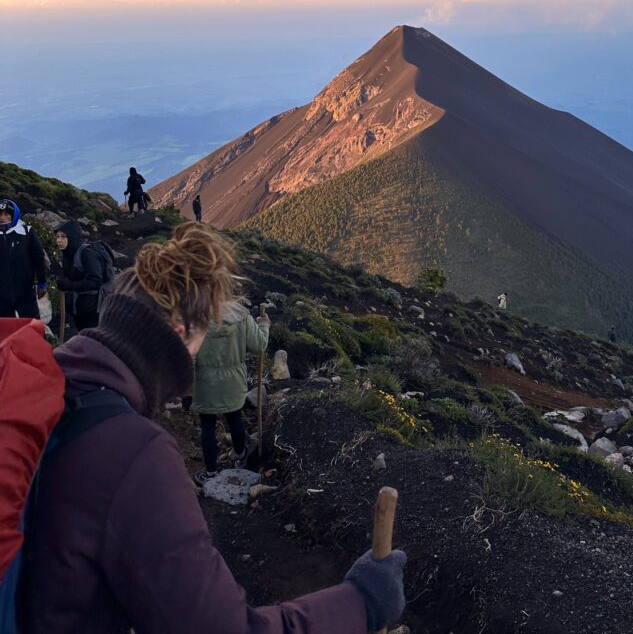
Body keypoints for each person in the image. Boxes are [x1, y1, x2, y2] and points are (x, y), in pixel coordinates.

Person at [20, 222, 406, 634]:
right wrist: (359, 602)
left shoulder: (37, 384)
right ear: (181, 331)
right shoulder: (135, 456)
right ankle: (237, 460)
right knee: (234, 421)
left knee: (209, 426)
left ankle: (212, 468)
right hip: (230, 393)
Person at [192, 299, 268, 485]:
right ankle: (241, 456)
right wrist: (264, 325)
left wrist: (186, 390)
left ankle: (210, 473)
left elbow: (187, 356)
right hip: (233, 380)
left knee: (207, 425)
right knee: (234, 417)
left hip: (204, 383)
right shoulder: (241, 316)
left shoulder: (194, 317)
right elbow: (259, 345)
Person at [0, 198, 48, 319]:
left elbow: (38, 257)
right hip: (2, 296)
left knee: (32, 328)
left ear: (13, 214)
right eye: (0, 214)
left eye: (6, 214)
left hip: (25, 292)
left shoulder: (26, 231)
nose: (2, 217)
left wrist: (42, 283)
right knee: (7, 333)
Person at [54, 220, 103, 331]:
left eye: (63, 237)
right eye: (57, 237)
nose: (59, 240)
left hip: (93, 310)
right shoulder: (68, 253)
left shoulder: (87, 253)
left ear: (72, 237)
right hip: (78, 308)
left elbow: (95, 281)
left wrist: (69, 285)